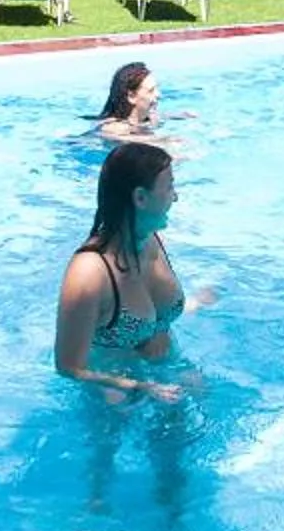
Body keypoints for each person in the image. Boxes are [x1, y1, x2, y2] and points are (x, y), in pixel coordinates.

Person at [55, 141, 210, 402]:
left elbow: (154, 316)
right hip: (116, 396)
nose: (175, 196)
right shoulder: (90, 274)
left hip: (167, 375)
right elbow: (68, 367)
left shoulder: (152, 240)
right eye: (169, 187)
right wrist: (141, 387)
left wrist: (195, 303)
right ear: (140, 198)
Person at [94, 61, 163, 143]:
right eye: (151, 91)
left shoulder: (148, 117)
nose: (158, 95)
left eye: (156, 88)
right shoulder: (114, 128)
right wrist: (164, 141)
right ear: (131, 96)